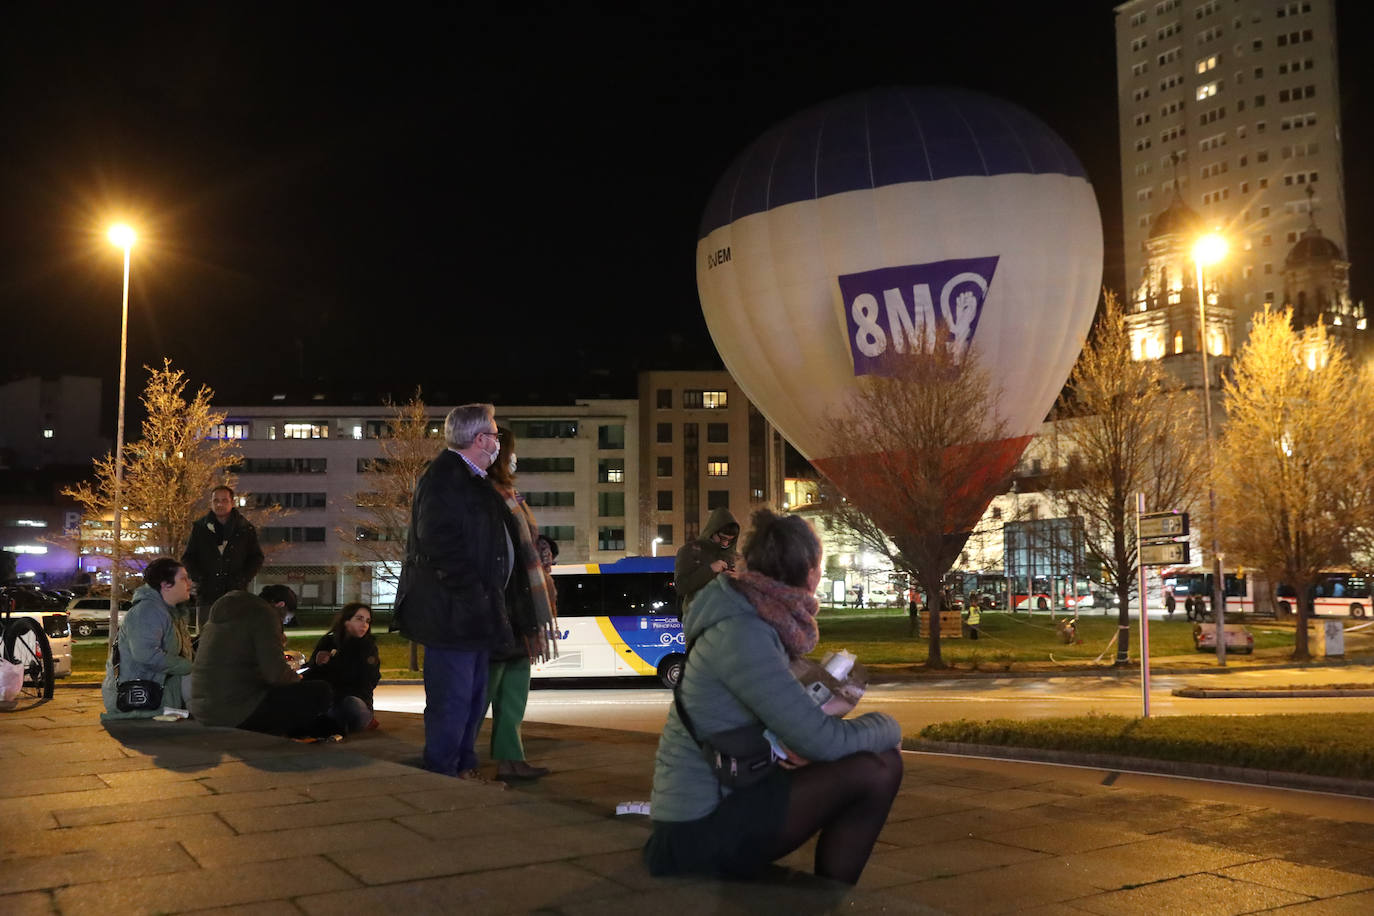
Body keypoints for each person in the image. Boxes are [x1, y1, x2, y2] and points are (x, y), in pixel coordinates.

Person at [645, 508, 903, 885]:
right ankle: (830, 895)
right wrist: (890, 725)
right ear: (812, 573)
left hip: (729, 795)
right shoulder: (742, 633)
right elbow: (823, 741)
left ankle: (830, 892)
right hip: (694, 831)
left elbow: (799, 730)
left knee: (868, 760)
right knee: (880, 766)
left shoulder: (749, 616)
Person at [393, 403, 518, 781]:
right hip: (453, 614)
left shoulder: (471, 478)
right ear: (480, 439)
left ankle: (463, 766)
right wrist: (476, 591)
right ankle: (444, 772)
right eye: (495, 435)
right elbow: (439, 544)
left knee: (474, 697)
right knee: (453, 699)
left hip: (472, 612)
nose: (499, 442)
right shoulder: (445, 479)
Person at [482, 427, 559, 781]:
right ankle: (458, 757)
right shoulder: (489, 495)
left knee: (513, 691)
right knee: (484, 690)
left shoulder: (513, 496)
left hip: (523, 610)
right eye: (511, 452)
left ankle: (512, 758)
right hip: (504, 607)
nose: (515, 459)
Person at [190, 584, 336, 737]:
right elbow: (275, 675)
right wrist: (296, 677)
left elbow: (240, 664)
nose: (283, 625)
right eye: (285, 620)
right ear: (280, 606)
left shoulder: (227, 615)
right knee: (321, 691)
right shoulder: (265, 615)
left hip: (204, 709)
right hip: (235, 711)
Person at [101, 557, 195, 720]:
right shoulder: (148, 611)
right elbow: (146, 655)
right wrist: (189, 667)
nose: (190, 583)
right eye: (183, 578)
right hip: (140, 697)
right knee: (204, 677)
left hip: (157, 692)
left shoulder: (170, 612)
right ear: (165, 585)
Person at [182, 485, 264, 631]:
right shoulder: (200, 528)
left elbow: (256, 557)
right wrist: (199, 577)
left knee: (235, 637)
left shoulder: (245, 529)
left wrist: (242, 578)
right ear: (211, 503)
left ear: (232, 502)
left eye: (224, 500)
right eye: (216, 500)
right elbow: (188, 557)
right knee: (206, 637)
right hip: (207, 594)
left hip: (235, 594)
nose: (220, 504)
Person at [302, 602, 381, 734]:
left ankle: (364, 721)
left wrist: (333, 664)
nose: (364, 625)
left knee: (351, 704)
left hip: (354, 700)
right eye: (359, 619)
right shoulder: (328, 642)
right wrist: (317, 663)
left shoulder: (368, 647)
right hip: (329, 700)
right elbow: (313, 674)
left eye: (368, 621)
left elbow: (369, 680)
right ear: (346, 621)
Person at [673, 506, 739, 617]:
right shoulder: (690, 551)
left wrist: (739, 578)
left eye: (730, 540)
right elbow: (681, 586)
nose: (726, 544)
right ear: (712, 531)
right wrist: (711, 569)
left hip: (729, 620)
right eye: (723, 538)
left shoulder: (735, 557)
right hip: (700, 618)